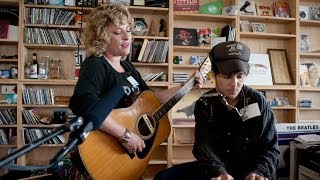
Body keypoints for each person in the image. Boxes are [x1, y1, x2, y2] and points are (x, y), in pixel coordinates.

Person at [68, 4, 203, 178]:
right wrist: (125, 136)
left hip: (125, 159)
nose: (127, 37)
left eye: (129, 30)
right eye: (117, 32)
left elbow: (151, 101)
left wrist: (186, 85)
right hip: (102, 154)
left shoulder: (128, 67)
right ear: (100, 37)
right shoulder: (95, 65)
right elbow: (86, 106)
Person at [155, 41, 280, 180]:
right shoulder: (205, 102)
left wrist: (260, 172)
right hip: (214, 167)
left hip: (250, 171)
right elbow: (203, 146)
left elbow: (270, 148)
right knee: (163, 177)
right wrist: (219, 172)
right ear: (214, 74)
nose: (234, 84)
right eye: (227, 76)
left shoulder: (258, 101)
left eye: (240, 76)